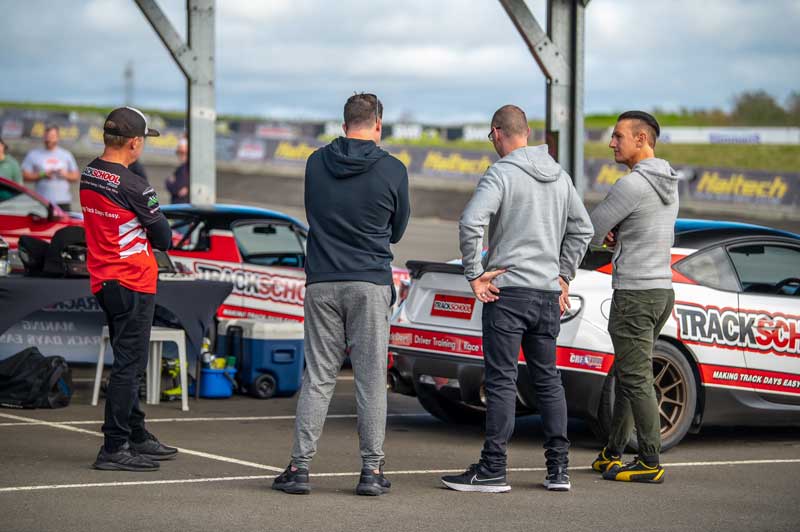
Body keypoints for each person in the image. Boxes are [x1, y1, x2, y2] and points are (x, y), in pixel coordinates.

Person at [441, 105, 593, 493]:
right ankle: (558, 470)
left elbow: (471, 221)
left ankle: (493, 468)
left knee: (503, 380)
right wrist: (563, 275)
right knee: (547, 381)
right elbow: (583, 229)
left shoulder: (501, 173)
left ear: (497, 133)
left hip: (507, 295)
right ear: (527, 132)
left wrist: (474, 273)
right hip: (546, 297)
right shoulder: (560, 176)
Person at [272, 93, 410, 496]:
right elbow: (397, 229)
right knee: (370, 380)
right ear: (378, 124)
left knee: (318, 376)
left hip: (322, 280)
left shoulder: (316, 163)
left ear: (344, 121)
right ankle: (371, 471)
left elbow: (314, 212)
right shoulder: (393, 169)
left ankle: (299, 468)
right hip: (369, 282)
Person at [81, 106, 178, 471]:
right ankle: (114, 446)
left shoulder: (89, 173)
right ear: (135, 143)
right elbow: (164, 238)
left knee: (128, 362)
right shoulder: (134, 184)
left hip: (105, 278)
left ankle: (135, 434)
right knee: (129, 367)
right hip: (133, 280)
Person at [588, 111, 679, 483]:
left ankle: (649, 460)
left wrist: (607, 235)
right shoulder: (668, 183)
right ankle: (613, 452)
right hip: (661, 291)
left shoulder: (632, 185)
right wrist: (619, 233)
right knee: (630, 373)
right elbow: (638, 228)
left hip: (635, 293)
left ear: (642, 140)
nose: (612, 143)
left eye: (618, 136)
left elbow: (590, 229)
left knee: (637, 377)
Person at [21, 125, 80, 210]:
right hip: (42, 201)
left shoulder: (66, 155)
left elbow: (76, 176)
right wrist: (42, 174)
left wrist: (64, 174)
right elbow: (24, 176)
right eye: (46, 136)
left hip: (63, 201)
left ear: (58, 137)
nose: (48, 139)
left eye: (52, 136)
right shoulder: (33, 154)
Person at [166, 137, 189, 203]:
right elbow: (168, 183)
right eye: (179, 152)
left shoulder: (188, 169)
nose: (180, 155)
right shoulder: (180, 169)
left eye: (183, 152)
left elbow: (177, 188)